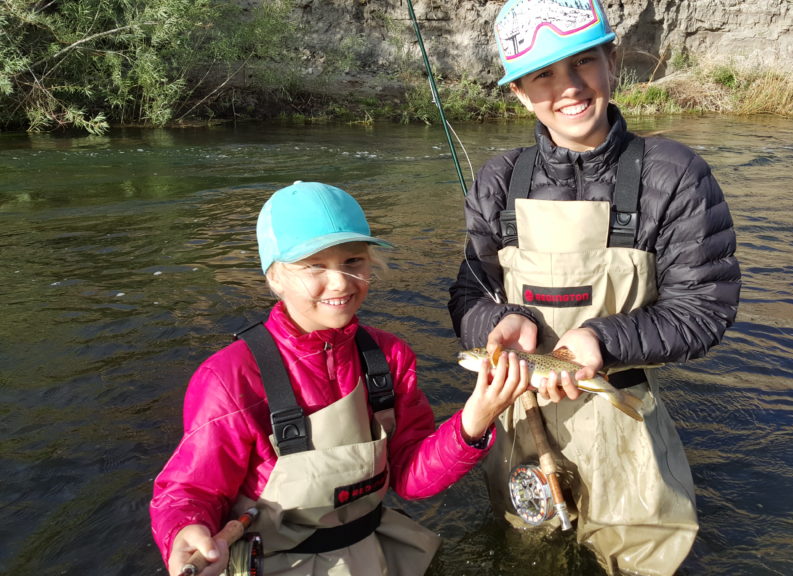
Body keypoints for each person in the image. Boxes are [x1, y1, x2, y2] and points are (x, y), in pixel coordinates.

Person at [447, 0, 741, 574]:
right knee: (525, 559)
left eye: (583, 62)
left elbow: (706, 308)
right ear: (519, 93)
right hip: (519, 415)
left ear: (612, 60)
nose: (569, 87)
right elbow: (469, 296)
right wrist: (497, 324)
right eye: (544, 75)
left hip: (623, 421)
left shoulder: (674, 173)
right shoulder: (498, 179)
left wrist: (601, 342)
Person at [151, 181, 530, 576]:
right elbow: (190, 491)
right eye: (314, 265)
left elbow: (410, 478)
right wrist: (184, 530)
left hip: (375, 552)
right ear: (275, 277)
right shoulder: (229, 377)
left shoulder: (391, 357)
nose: (341, 283)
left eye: (352, 262)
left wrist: (475, 419)